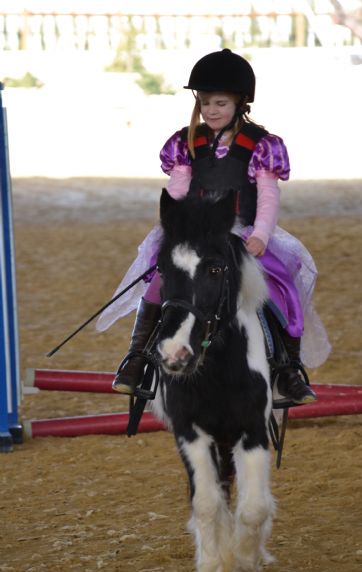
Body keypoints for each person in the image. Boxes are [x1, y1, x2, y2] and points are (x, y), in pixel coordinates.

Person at [96, 49, 331, 403]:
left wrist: (262, 235)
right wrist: (170, 229)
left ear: (240, 102)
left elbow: (267, 198)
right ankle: (137, 358)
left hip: (242, 234)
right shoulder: (186, 142)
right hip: (193, 236)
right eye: (205, 103)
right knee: (160, 281)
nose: (211, 110)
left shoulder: (262, 146)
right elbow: (177, 190)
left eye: (220, 103)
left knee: (281, 286)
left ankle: (288, 368)